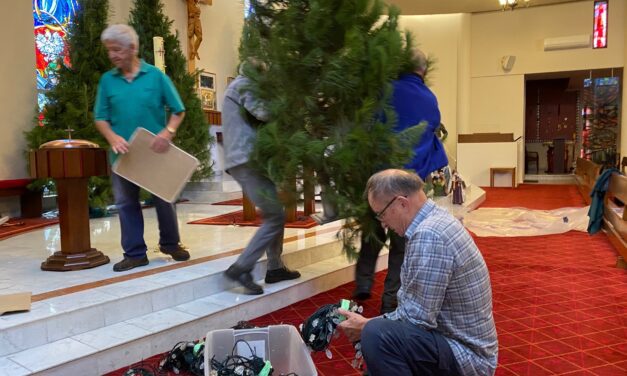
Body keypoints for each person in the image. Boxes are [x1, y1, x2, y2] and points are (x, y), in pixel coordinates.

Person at [339, 169, 498, 376]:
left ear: (402, 203)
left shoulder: (429, 235)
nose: (383, 224)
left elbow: (417, 320)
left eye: (381, 214)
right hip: (453, 343)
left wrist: (365, 326)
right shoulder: (435, 220)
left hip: (467, 357)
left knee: (377, 335)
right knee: (378, 338)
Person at [353, 48, 449, 313]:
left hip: (379, 177)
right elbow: (432, 131)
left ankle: (362, 283)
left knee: (371, 232)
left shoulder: (384, 90)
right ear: (424, 70)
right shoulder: (429, 98)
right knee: (400, 245)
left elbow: (368, 126)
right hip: (408, 181)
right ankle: (390, 298)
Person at [94, 24, 190, 272]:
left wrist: (168, 132)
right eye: (109, 51)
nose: (113, 55)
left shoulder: (156, 76)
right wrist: (112, 137)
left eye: (117, 49)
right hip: (123, 154)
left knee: (165, 199)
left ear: (132, 48)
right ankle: (135, 253)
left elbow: (178, 110)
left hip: (155, 151)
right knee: (126, 203)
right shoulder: (107, 81)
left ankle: (170, 244)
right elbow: (100, 118)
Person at [221, 68, 301, 295]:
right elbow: (265, 113)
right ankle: (240, 268)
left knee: (276, 211)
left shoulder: (241, 84)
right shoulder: (244, 84)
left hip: (251, 160)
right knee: (274, 216)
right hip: (247, 160)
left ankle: (275, 267)